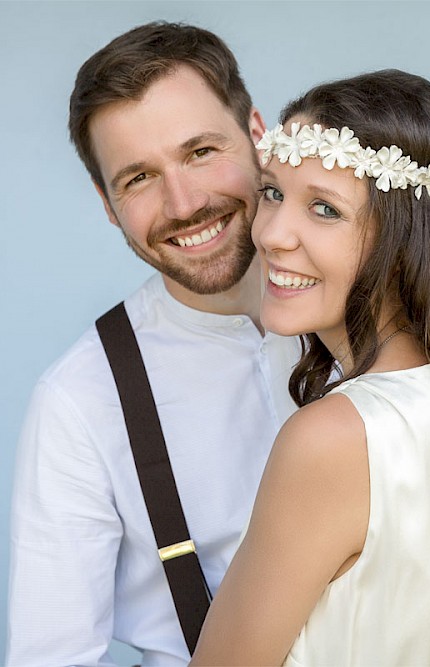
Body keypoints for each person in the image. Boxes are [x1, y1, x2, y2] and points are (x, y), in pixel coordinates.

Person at [190, 70, 430, 666]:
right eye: (272, 192)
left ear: (405, 241)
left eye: (323, 208)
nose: (271, 234)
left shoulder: (333, 441)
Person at [6, 23, 299, 666]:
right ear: (108, 203)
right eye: (138, 177)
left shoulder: (378, 319)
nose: (185, 202)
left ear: (257, 135)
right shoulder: (78, 401)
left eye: (200, 151)